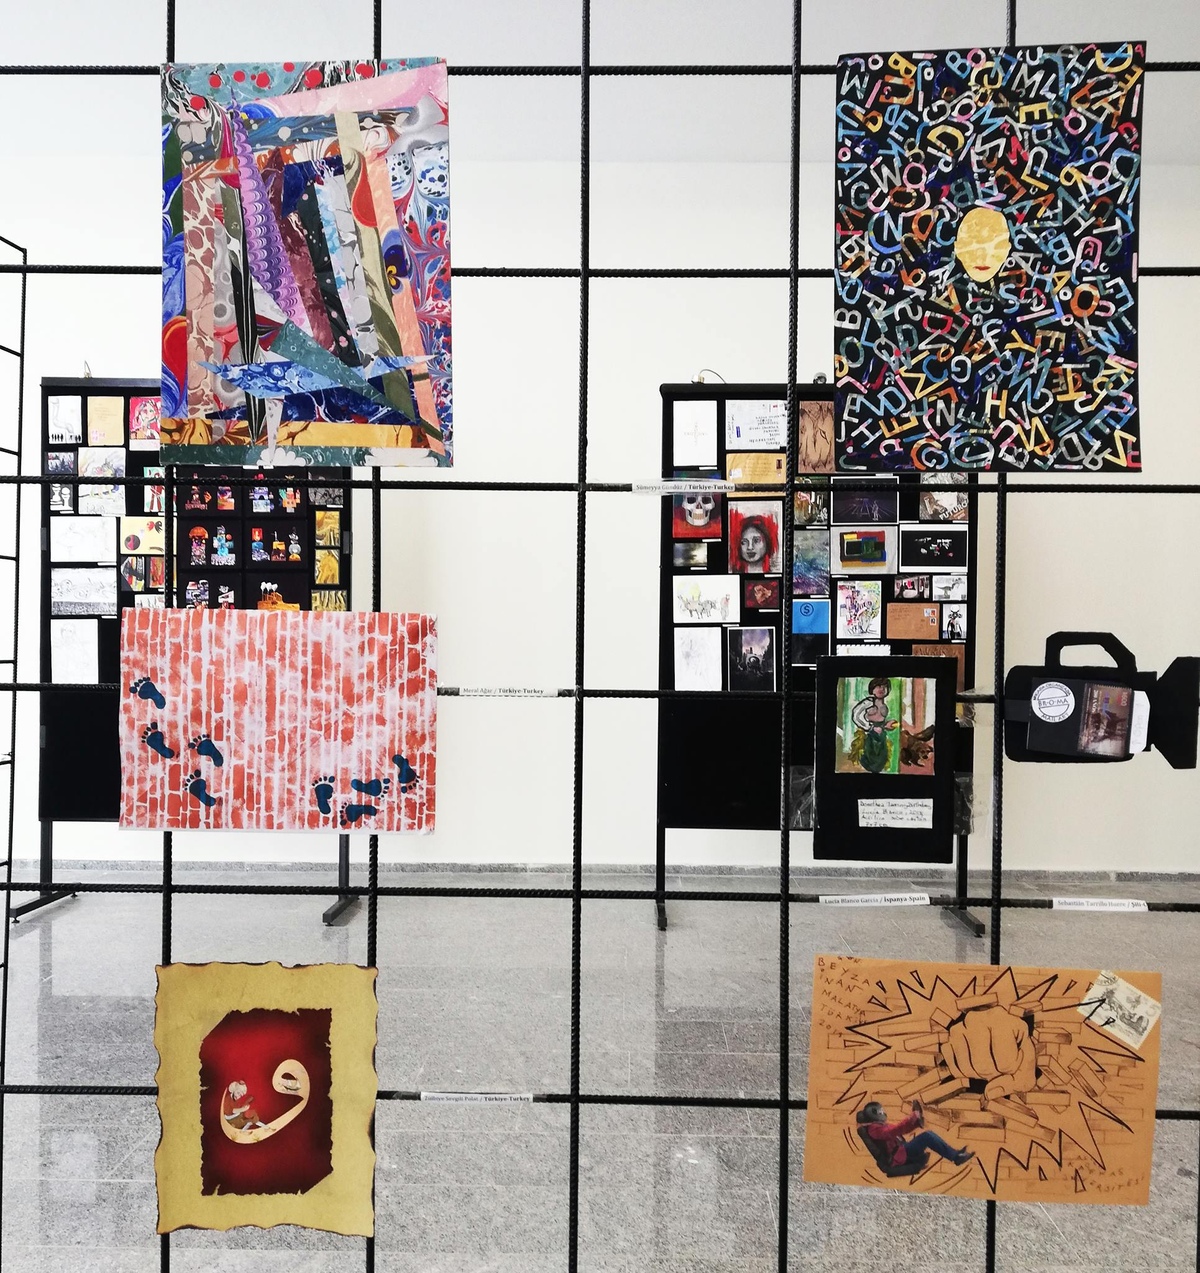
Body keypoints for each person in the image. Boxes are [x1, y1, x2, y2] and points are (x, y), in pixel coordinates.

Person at [857, 1099, 974, 1170]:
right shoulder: (874, 1130)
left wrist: (915, 1122)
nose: (882, 1113)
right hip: (898, 1156)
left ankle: (955, 1154)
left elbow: (901, 1129)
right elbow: (895, 1131)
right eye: (880, 1112)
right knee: (927, 1136)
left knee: (928, 1135)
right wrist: (912, 1117)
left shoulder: (880, 1126)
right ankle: (956, 1157)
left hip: (902, 1149)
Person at [849, 677, 898, 774]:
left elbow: (882, 723)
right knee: (870, 754)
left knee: (882, 755)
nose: (882, 689)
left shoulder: (885, 707)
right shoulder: (868, 702)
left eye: (884, 687)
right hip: (868, 734)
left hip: (881, 734)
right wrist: (869, 727)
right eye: (878, 686)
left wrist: (887, 724)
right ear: (872, 689)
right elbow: (856, 715)